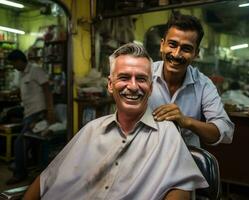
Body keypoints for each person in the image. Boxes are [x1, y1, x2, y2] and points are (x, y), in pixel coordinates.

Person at [23, 43, 208, 200]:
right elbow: (47, 178)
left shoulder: (166, 133)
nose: (133, 86)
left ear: (150, 88)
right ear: (110, 85)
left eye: (141, 79)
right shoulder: (92, 129)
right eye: (124, 77)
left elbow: (182, 187)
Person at [148, 12, 234, 147]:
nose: (176, 54)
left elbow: (225, 131)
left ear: (196, 54)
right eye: (172, 45)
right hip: (146, 158)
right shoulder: (143, 75)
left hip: (186, 161)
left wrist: (187, 121)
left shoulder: (203, 85)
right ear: (162, 45)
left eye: (186, 48)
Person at [6, 49, 54, 185]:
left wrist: (50, 111)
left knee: (19, 143)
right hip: (28, 113)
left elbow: (47, 90)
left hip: (37, 112)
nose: (13, 67)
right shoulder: (21, 74)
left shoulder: (35, 70)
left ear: (19, 61)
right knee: (34, 144)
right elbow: (26, 90)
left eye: (13, 64)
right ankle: (38, 173)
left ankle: (19, 173)